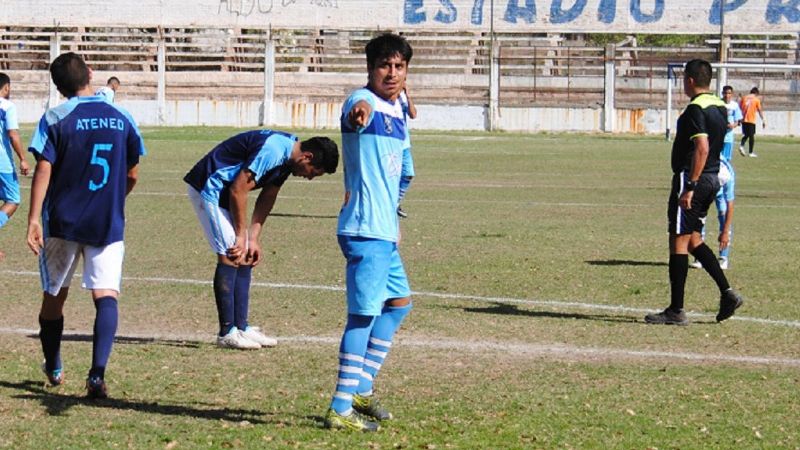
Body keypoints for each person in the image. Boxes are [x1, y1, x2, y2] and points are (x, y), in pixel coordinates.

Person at [27, 53, 146, 398]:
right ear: (90, 74)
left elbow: (44, 168)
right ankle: (96, 375)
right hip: (107, 221)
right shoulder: (122, 116)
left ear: (58, 87)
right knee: (106, 294)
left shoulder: (55, 117)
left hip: (62, 221)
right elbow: (133, 173)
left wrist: (33, 219)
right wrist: (113, 199)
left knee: (54, 297)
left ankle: (54, 364)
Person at [324, 33, 414, 432]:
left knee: (399, 305)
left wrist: (394, 214)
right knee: (362, 317)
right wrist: (359, 113)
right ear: (370, 68)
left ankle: (361, 387)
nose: (391, 73)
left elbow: (405, 172)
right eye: (384, 66)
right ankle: (340, 407)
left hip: (383, 231)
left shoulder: (398, 110)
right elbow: (357, 110)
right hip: (364, 230)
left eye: (399, 67)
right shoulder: (362, 101)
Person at [184, 130, 338, 350]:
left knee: (246, 253)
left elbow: (268, 195)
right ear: (307, 157)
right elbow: (238, 189)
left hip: (226, 193)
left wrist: (253, 238)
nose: (310, 177)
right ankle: (227, 333)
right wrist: (241, 235)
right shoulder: (273, 150)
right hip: (209, 187)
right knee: (232, 253)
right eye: (314, 172)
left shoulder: (289, 158)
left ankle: (241, 327)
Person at [645, 59, 743, 326]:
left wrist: (690, 186)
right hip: (712, 177)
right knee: (694, 240)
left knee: (678, 241)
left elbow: (702, 147)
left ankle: (676, 310)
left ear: (689, 80)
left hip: (693, 178)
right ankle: (727, 293)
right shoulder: (720, 107)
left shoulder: (695, 109)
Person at [691, 85, 740, 270]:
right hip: (705, 185)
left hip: (716, 190)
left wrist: (725, 231)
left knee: (722, 214)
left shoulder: (727, 173)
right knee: (699, 218)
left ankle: (723, 257)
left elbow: (730, 204)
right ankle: (699, 256)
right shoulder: (703, 165)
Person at [0, 73, 31, 260]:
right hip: (2, 163)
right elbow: (13, 134)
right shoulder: (7, 106)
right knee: (13, 200)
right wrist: (23, 158)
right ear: (6, 87)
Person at [396, 86, 417, 219]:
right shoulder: (384, 97)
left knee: (408, 174)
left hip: (404, 143)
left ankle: (394, 203)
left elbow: (413, 115)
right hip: (390, 143)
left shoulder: (403, 97)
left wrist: (408, 97)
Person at [738, 87, 765, 157]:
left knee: (746, 134)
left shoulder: (744, 98)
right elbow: (759, 110)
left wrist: (738, 119)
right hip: (751, 120)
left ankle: (741, 146)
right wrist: (763, 120)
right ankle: (750, 152)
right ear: (756, 93)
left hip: (743, 120)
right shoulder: (756, 100)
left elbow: (739, 108)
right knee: (751, 136)